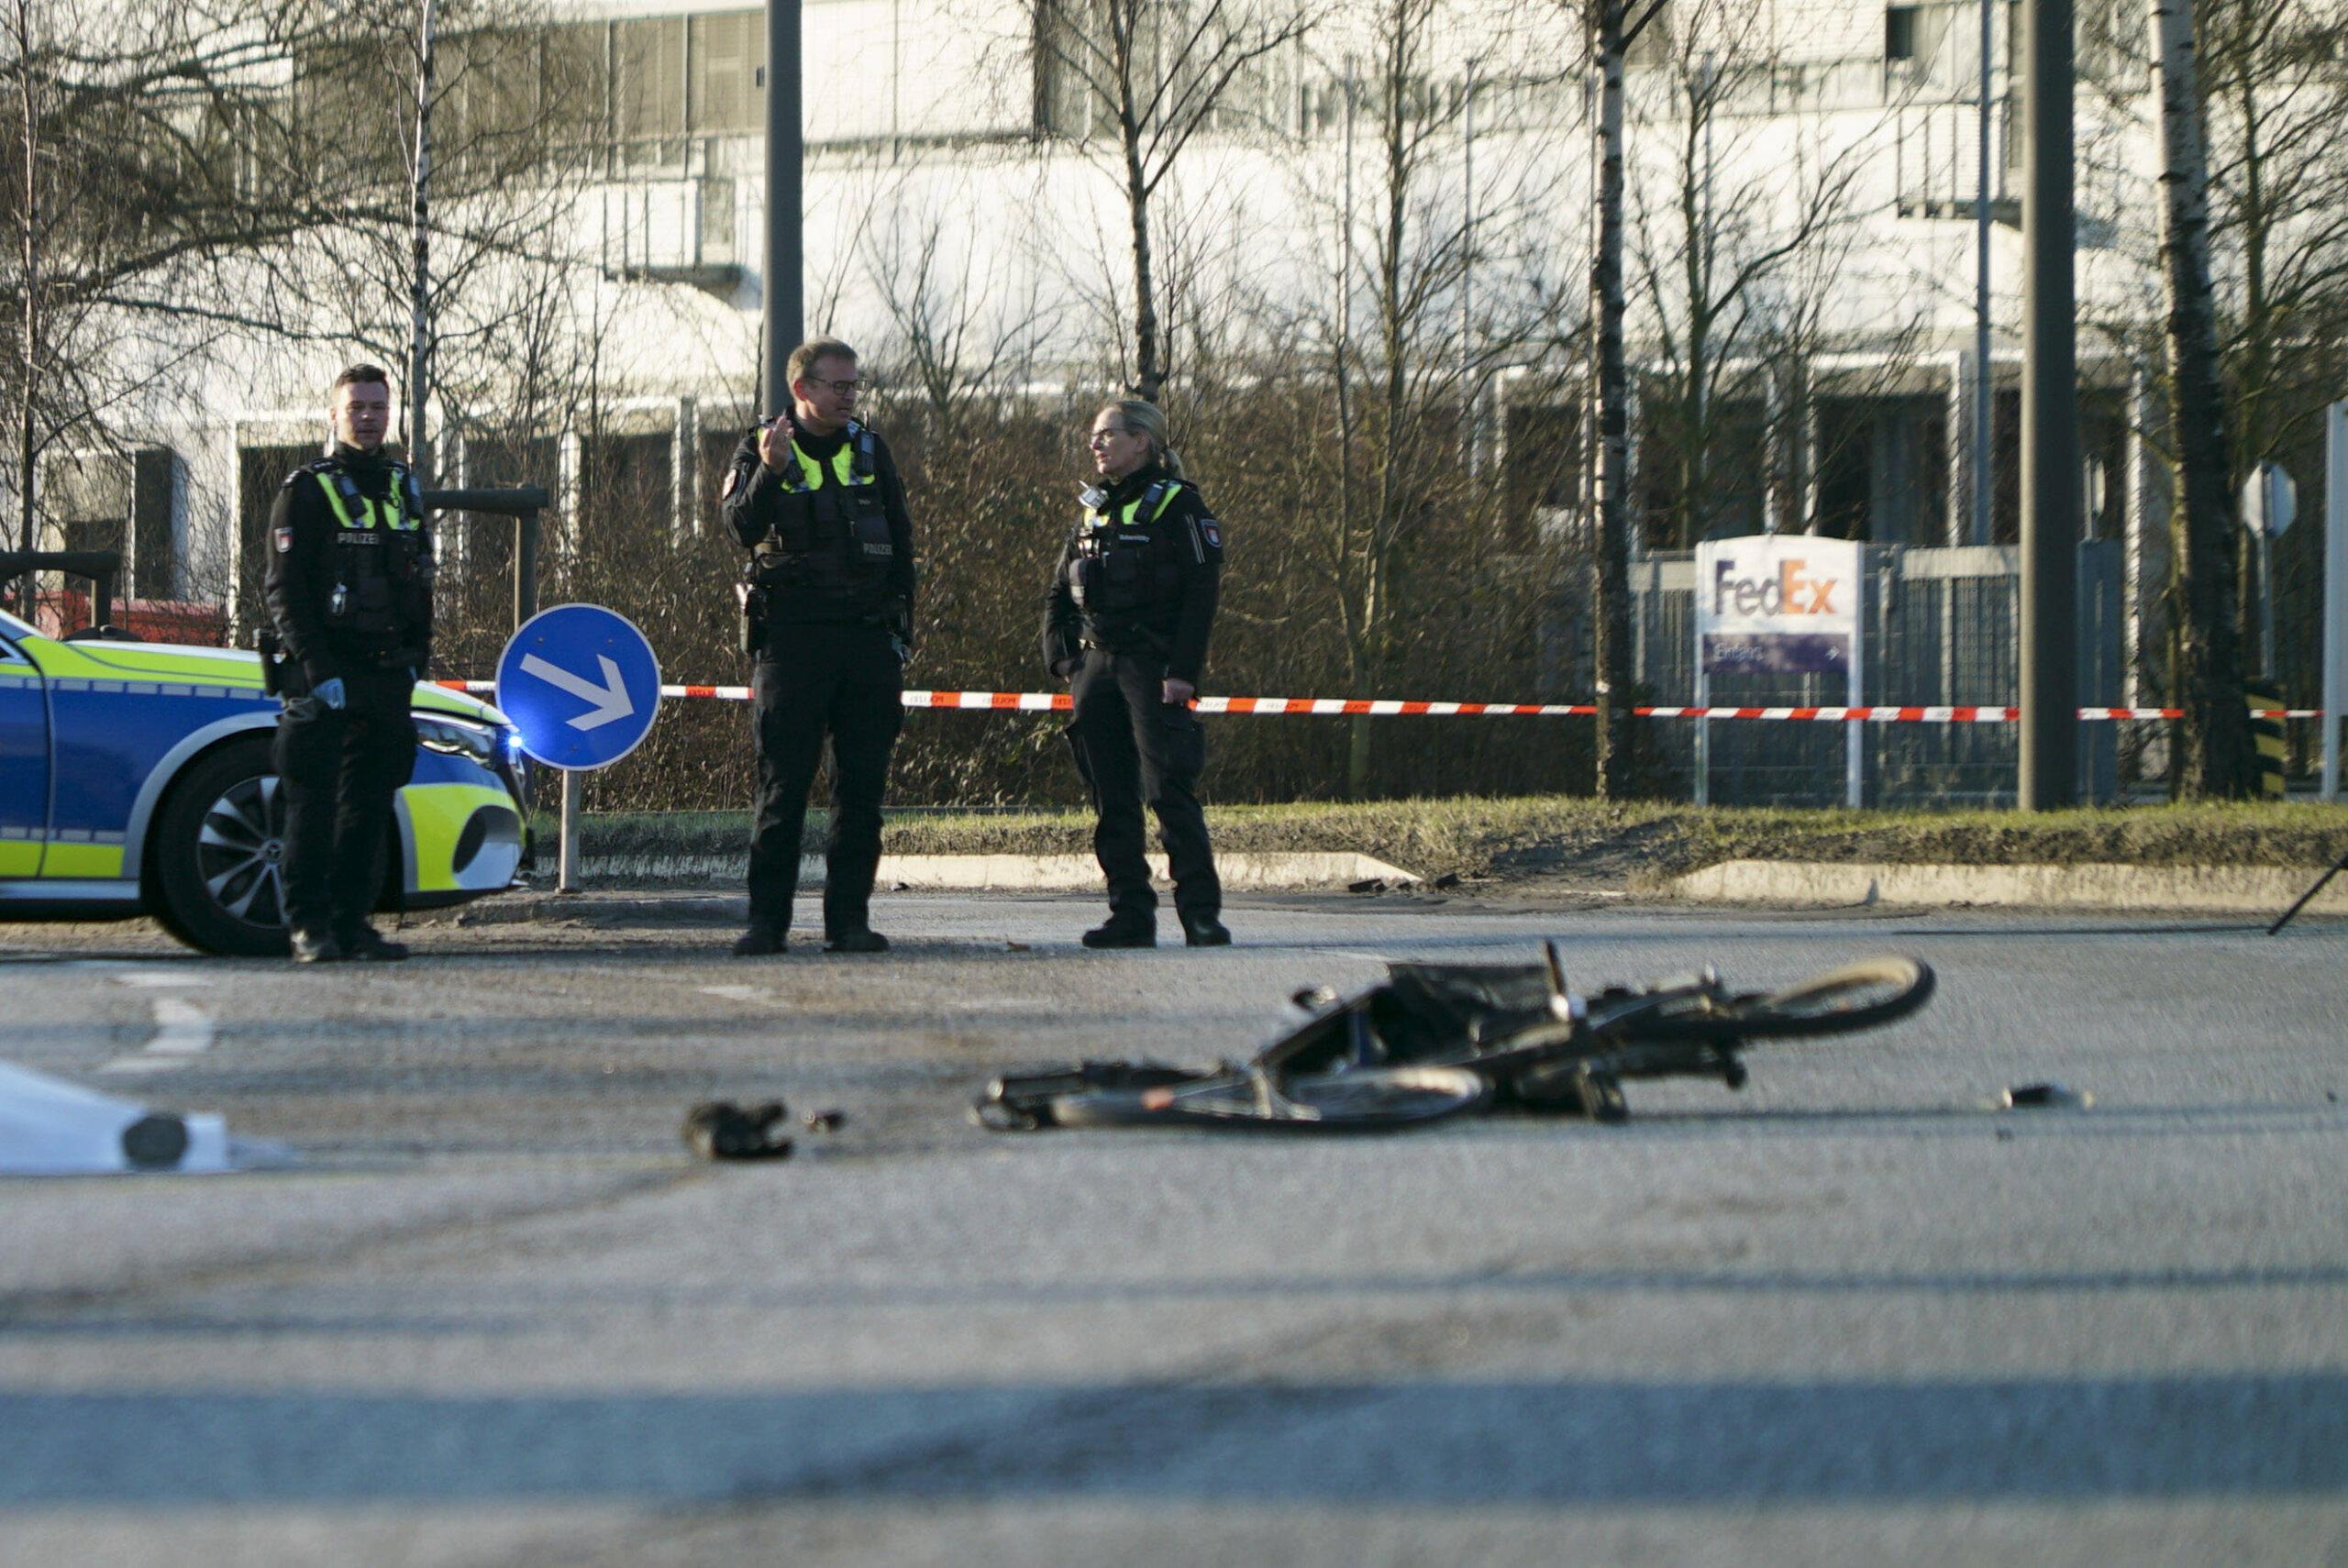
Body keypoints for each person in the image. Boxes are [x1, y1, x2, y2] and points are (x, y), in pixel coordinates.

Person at [723, 337, 915, 956]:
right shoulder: (763, 446)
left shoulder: (869, 448)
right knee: (784, 789)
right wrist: (772, 472)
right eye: (839, 386)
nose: (850, 396)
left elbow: (902, 543)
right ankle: (767, 924)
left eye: (855, 385)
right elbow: (738, 528)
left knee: (861, 792)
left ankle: (848, 923)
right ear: (802, 389)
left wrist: (901, 632)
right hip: (792, 644)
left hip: (865, 643)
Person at [262, 363, 435, 963]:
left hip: (387, 670)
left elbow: (422, 581)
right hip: (323, 670)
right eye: (355, 406)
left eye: (376, 407)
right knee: (312, 805)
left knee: (369, 804)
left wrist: (419, 663)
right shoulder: (306, 489)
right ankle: (309, 927)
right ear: (334, 414)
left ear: (390, 414)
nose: (366, 416)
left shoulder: (403, 486)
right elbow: (284, 590)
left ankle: (352, 923)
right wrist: (316, 666)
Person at [1043, 399, 1229, 948]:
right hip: (1095, 666)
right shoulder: (1094, 509)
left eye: (1106, 435)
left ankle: (1200, 914)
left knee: (1169, 791)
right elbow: (1058, 592)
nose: (1095, 444)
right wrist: (1062, 659)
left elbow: (1202, 596)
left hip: (1154, 667)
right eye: (1094, 436)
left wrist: (1184, 672)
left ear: (1142, 441)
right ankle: (1130, 914)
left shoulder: (1180, 505)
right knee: (1111, 797)